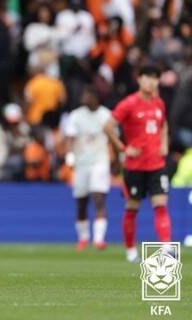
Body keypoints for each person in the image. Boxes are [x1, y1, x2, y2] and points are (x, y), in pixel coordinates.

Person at [104, 64, 171, 262]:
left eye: (155, 78)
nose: (151, 81)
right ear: (139, 79)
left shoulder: (159, 104)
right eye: (147, 77)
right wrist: (123, 148)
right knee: (132, 208)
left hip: (156, 165)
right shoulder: (129, 103)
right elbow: (108, 126)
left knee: (160, 205)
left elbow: (163, 124)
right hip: (134, 167)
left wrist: (164, 144)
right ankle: (131, 251)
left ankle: (167, 248)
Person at [64, 86, 112, 251]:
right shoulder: (76, 115)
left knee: (99, 198)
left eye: (87, 95)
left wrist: (116, 160)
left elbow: (113, 137)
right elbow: (70, 138)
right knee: (81, 202)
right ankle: (83, 238)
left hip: (100, 161)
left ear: (95, 97)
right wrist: (69, 156)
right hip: (81, 163)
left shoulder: (106, 115)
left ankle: (99, 239)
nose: (84, 98)